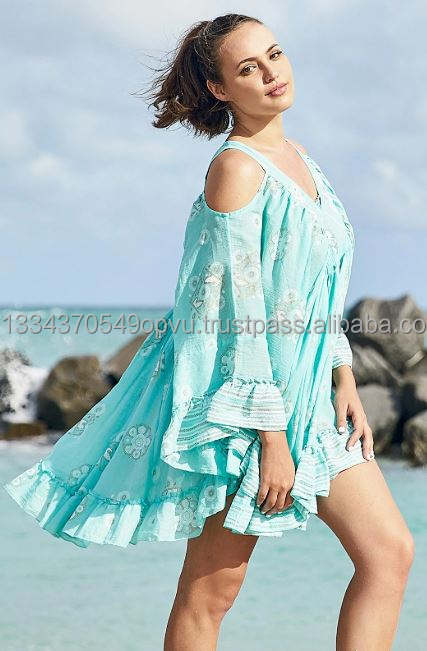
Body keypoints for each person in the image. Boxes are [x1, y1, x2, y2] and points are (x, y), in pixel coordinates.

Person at [3, 13, 414, 651]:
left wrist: (344, 378)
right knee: (211, 593)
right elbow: (233, 316)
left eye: (274, 54)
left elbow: (314, 292)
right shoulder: (236, 170)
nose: (271, 73)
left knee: (389, 553)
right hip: (248, 413)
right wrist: (269, 437)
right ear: (221, 89)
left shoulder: (301, 159)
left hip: (313, 400)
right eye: (249, 68)